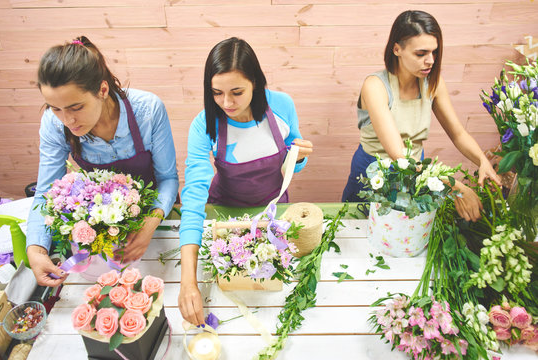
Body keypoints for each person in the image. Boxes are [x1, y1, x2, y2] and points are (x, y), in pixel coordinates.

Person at [178, 37, 313, 326]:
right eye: (216, 93)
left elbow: (293, 160)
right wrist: (188, 281)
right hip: (223, 216)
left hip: (273, 213)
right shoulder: (205, 124)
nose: (226, 103)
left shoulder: (282, 106)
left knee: (272, 299)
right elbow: (192, 198)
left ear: (256, 83)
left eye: (237, 92)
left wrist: (299, 157)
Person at [26, 36, 179, 287]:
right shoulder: (54, 124)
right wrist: (36, 250)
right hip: (101, 227)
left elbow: (168, 179)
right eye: (55, 108)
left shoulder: (148, 111)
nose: (67, 120)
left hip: (155, 218)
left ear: (103, 90)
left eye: (76, 107)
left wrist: (150, 223)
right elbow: (46, 192)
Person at [341, 10, 501, 221]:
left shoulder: (433, 83)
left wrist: (483, 162)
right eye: (421, 54)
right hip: (374, 174)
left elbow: (458, 134)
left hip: (418, 173)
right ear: (396, 49)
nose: (430, 60)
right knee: (362, 233)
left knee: (407, 235)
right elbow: (400, 157)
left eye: (434, 52)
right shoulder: (375, 86)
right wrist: (456, 187)